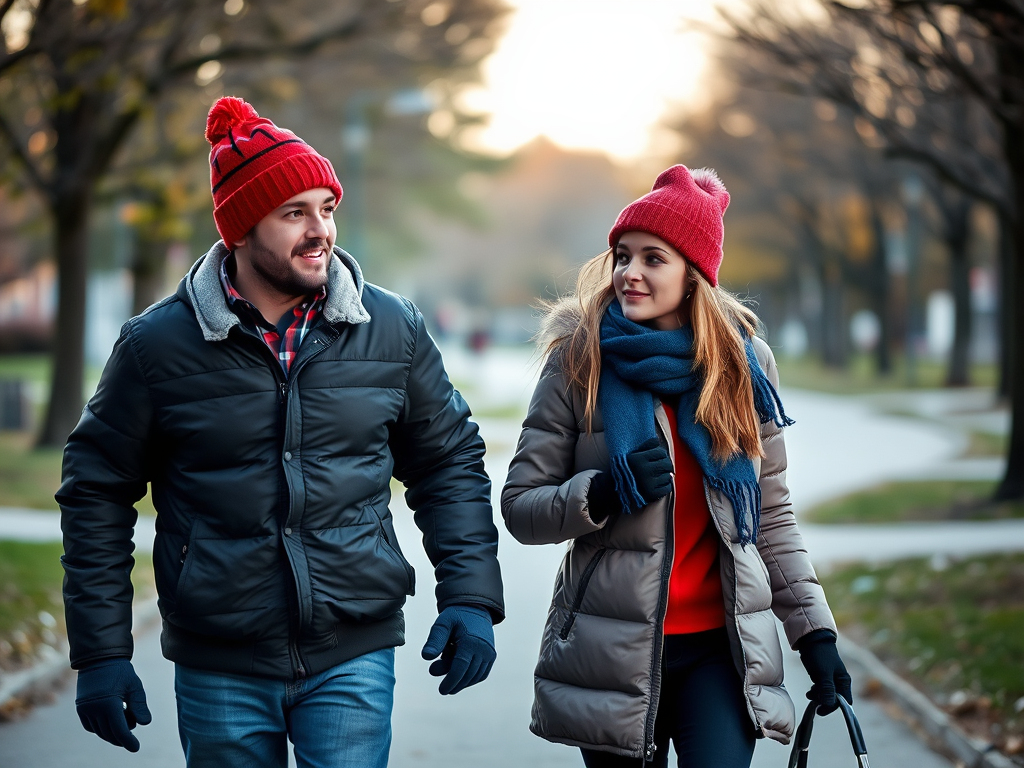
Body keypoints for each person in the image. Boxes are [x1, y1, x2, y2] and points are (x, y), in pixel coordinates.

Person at [58, 97, 504, 768]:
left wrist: (470, 596)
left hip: (353, 646)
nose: (319, 230)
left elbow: (448, 463)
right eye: (295, 213)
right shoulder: (156, 347)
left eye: (326, 208)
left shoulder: (393, 329)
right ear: (241, 229)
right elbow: (95, 489)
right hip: (220, 658)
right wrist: (100, 652)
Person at [500, 165, 851, 767]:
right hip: (612, 650)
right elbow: (522, 506)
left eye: (653, 258)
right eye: (622, 255)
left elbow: (768, 516)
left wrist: (815, 635)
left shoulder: (743, 365)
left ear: (694, 274)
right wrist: (601, 494)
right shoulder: (577, 362)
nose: (629, 273)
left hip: (721, 651)